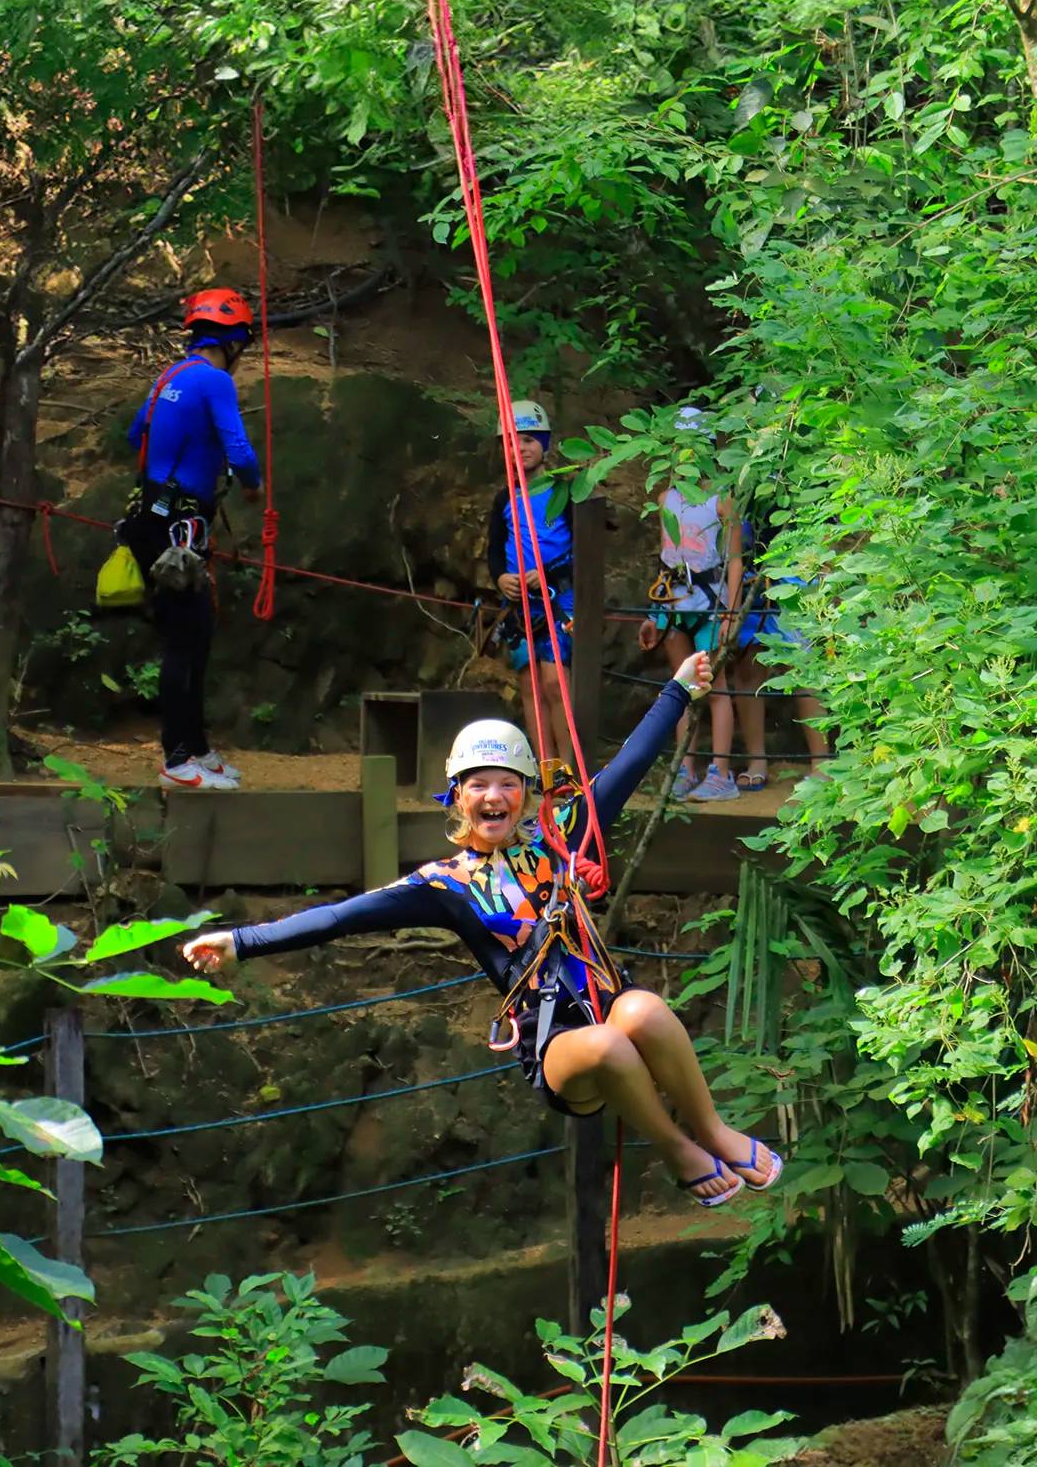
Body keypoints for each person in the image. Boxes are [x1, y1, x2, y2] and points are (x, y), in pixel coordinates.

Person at [183, 654, 783, 1208]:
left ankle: (712, 1131)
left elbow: (629, 765)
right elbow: (342, 917)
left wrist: (678, 688)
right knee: (606, 1045)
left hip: (609, 1002)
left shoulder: (561, 835)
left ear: (525, 795)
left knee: (645, 1012)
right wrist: (242, 942)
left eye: (507, 784)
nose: (493, 796)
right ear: (458, 798)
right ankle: (679, 1151)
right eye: (478, 784)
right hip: (557, 1046)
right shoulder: (445, 885)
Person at [124, 288, 262, 791]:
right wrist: (253, 486)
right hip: (181, 526)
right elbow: (240, 449)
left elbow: (134, 434)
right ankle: (177, 757)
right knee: (186, 640)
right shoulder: (214, 380)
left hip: (152, 518)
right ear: (233, 341)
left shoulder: (169, 377)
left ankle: (197, 748)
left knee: (193, 635)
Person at [637, 408, 743, 802]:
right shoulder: (666, 499)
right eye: (681, 446)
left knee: (716, 687)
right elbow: (666, 560)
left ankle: (721, 772)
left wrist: (731, 612)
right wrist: (654, 615)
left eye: (695, 445)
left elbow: (734, 561)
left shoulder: (721, 500)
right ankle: (685, 768)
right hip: (675, 603)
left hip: (711, 602)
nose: (687, 454)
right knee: (681, 686)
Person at [487, 400, 573, 763]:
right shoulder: (505, 498)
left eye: (528, 440)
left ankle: (569, 769)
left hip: (558, 599)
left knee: (557, 684)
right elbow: (494, 548)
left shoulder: (564, 492)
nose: (520, 448)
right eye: (511, 441)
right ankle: (546, 768)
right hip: (520, 605)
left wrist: (549, 574)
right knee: (530, 686)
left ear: (544, 444)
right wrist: (500, 578)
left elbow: (583, 546)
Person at [732, 509, 829, 789]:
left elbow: (826, 525)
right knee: (747, 663)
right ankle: (756, 760)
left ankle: (821, 763)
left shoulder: (807, 476)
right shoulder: (744, 476)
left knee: (803, 667)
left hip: (797, 574)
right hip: (750, 573)